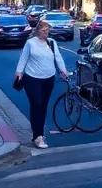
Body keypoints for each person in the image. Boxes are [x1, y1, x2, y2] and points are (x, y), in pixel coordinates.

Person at [15, 20, 68, 149]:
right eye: (44, 30)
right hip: (32, 78)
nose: (46, 33)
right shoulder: (30, 43)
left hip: (48, 78)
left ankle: (37, 133)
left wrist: (63, 70)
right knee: (37, 103)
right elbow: (24, 58)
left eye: (47, 30)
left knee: (42, 106)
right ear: (38, 31)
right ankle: (39, 136)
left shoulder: (51, 43)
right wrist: (19, 72)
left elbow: (58, 58)